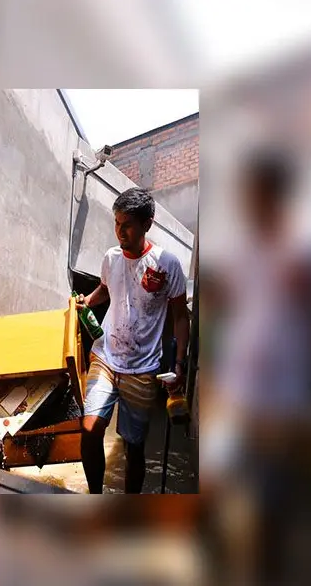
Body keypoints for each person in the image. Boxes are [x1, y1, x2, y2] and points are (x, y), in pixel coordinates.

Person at [75, 188, 190, 494]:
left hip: (143, 369)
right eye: (116, 223)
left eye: (126, 224)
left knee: (134, 447)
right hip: (106, 355)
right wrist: (88, 300)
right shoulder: (111, 258)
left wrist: (178, 364)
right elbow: (105, 289)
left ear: (147, 224)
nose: (119, 231)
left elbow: (181, 316)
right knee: (90, 430)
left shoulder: (167, 264)